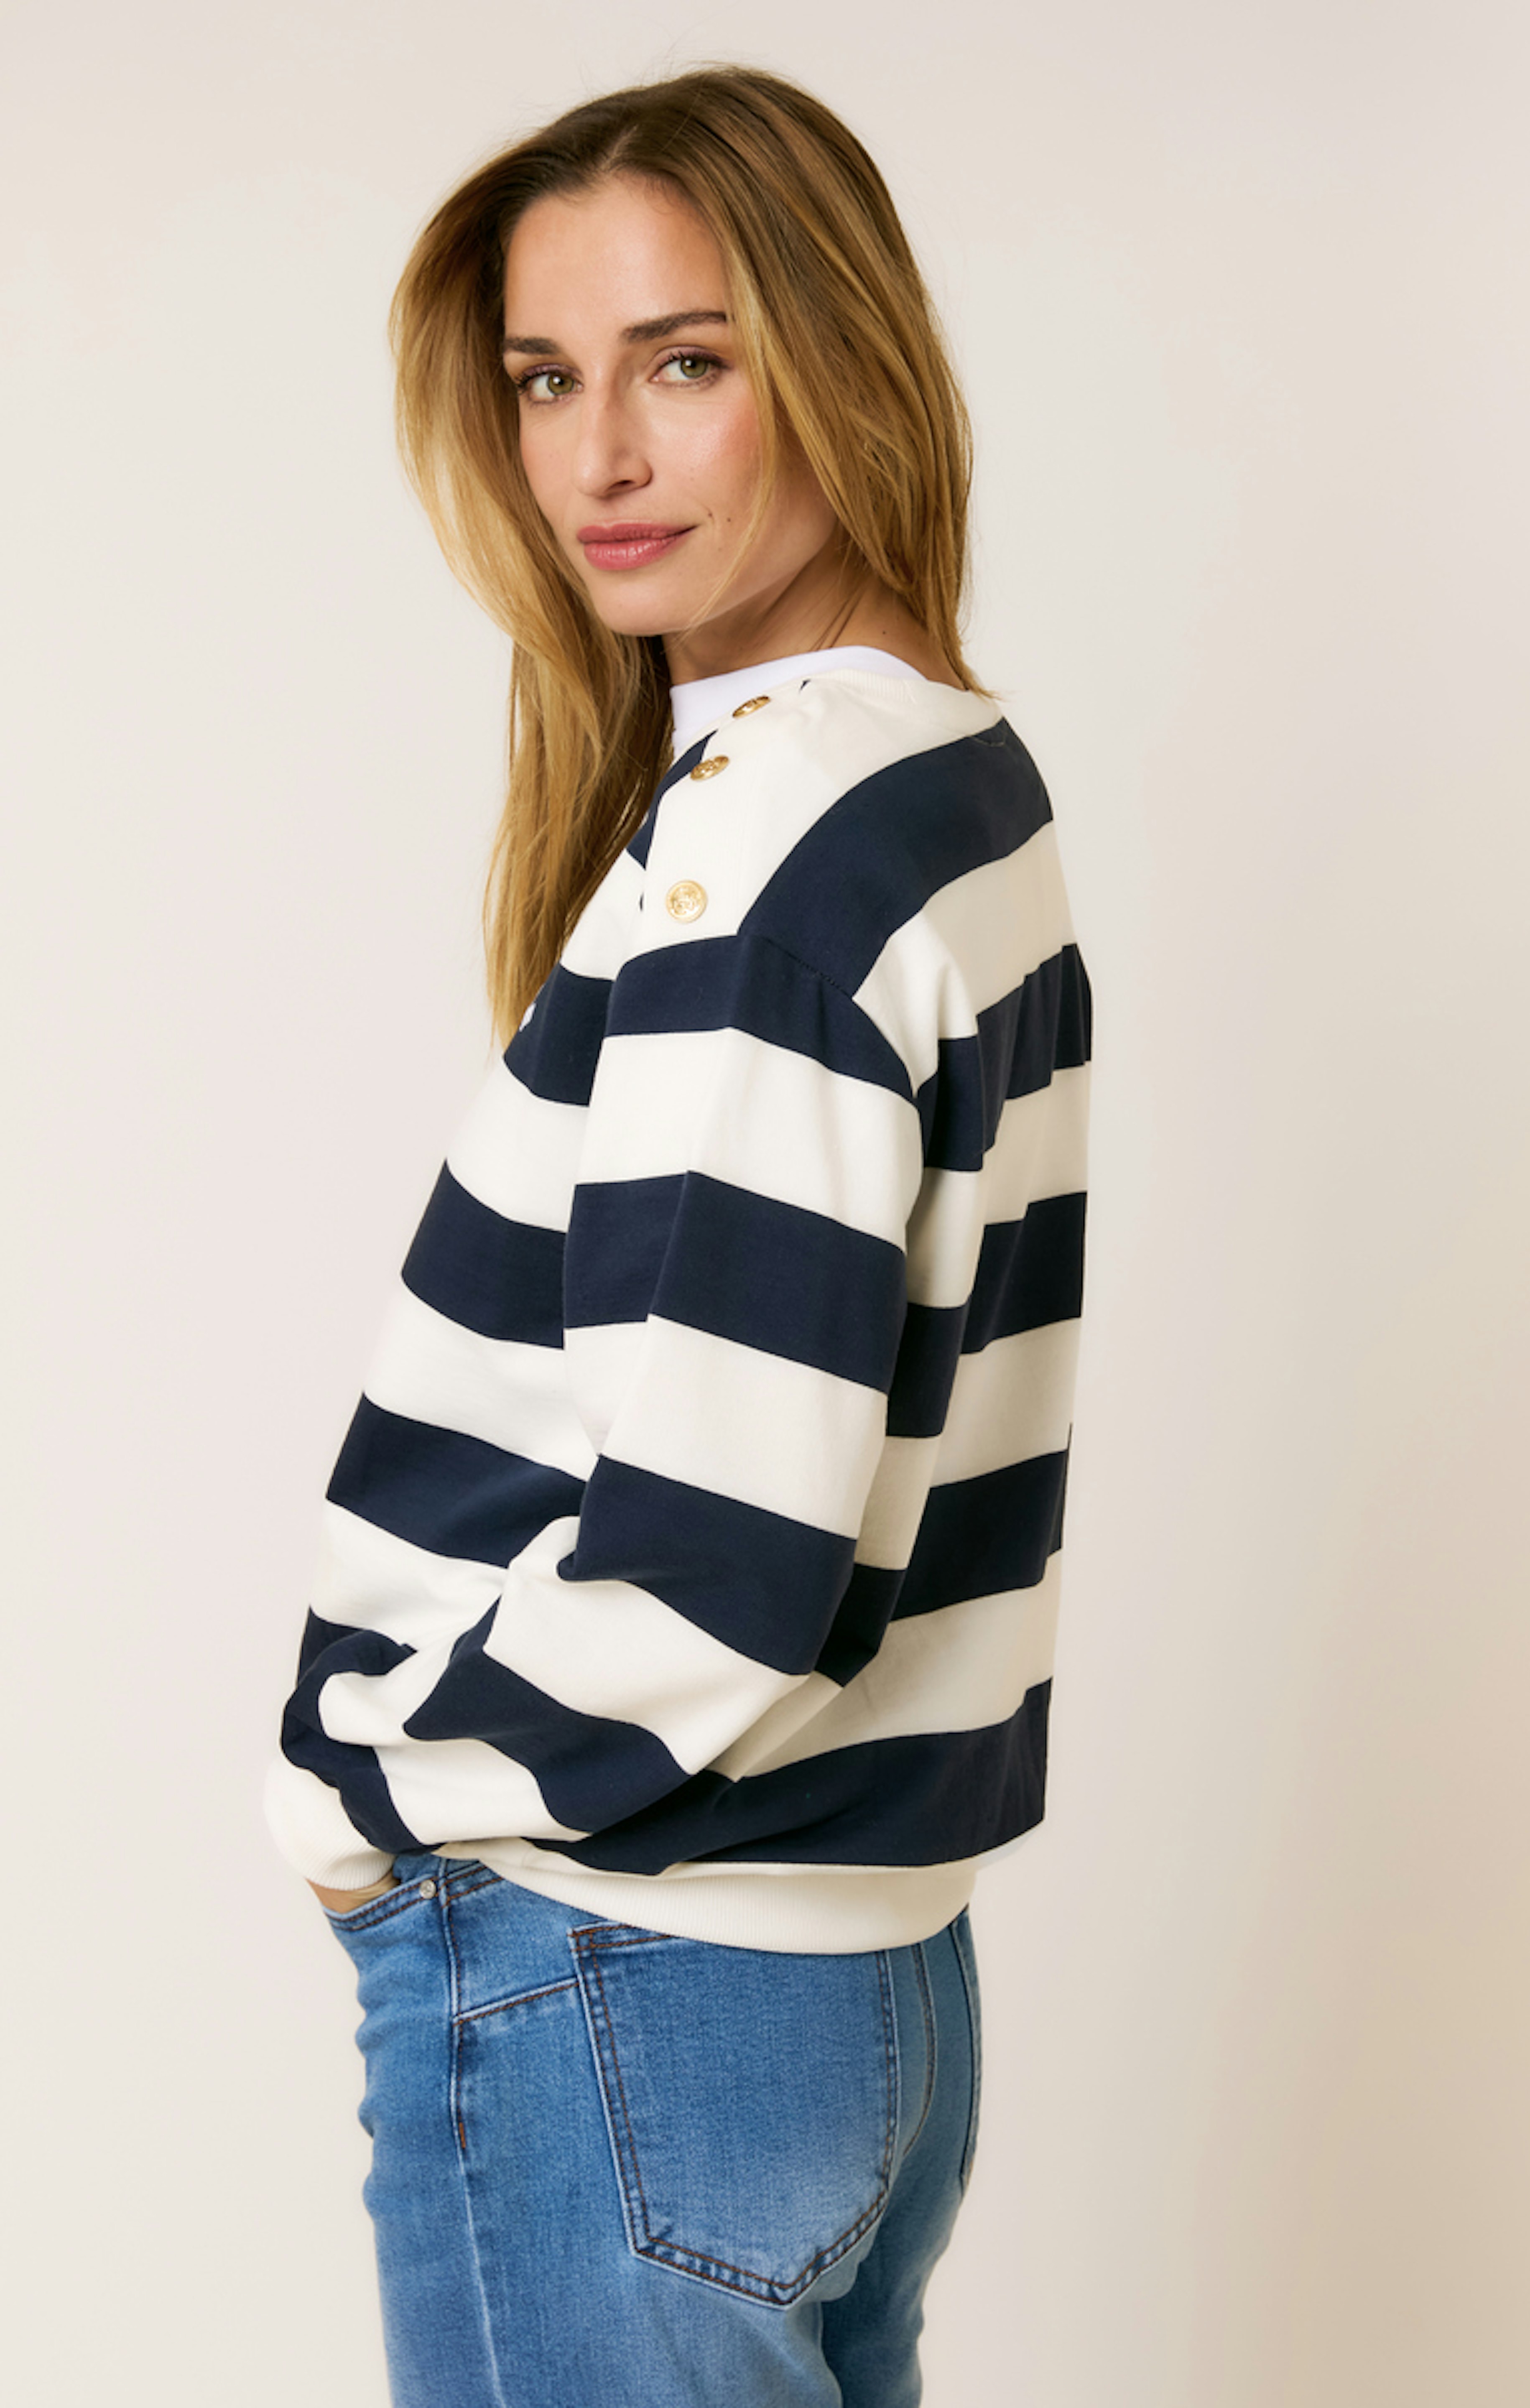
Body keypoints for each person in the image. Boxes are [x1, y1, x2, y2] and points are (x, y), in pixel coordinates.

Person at [266, 62, 1091, 2408]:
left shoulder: (768, 851)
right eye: (547, 380)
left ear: (838, 359)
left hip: (629, 1977)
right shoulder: (944, 776)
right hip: (856, 1985)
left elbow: (723, 1570)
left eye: (686, 362)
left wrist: (376, 1800)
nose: (600, 459)